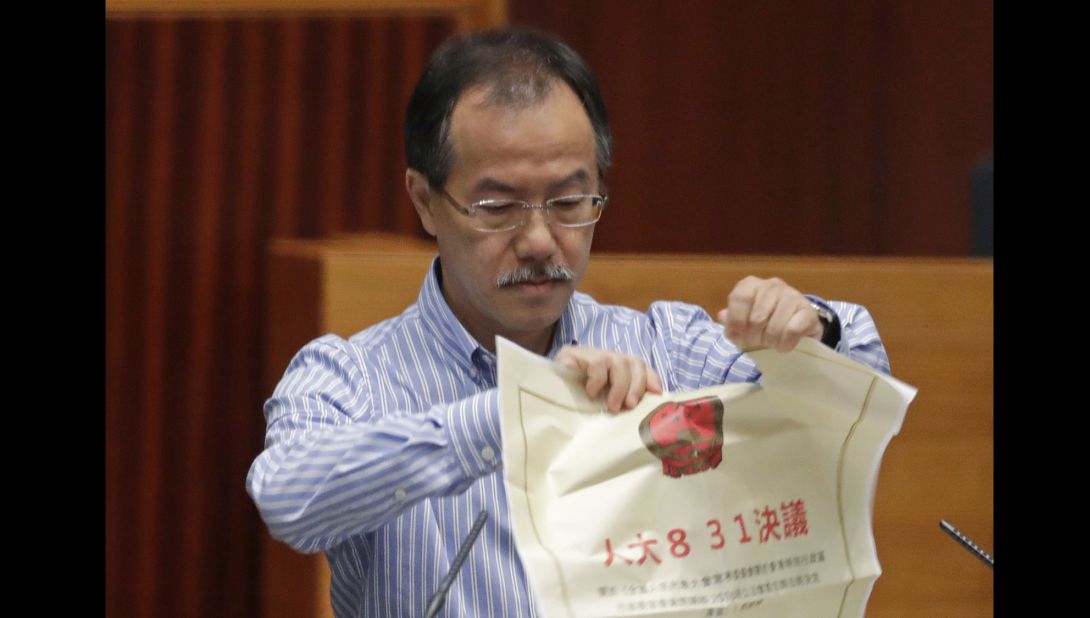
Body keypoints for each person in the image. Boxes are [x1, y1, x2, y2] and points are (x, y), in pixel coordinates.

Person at [246, 27, 890, 618]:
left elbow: (853, 401)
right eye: (497, 206)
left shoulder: (665, 347)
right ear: (425, 202)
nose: (539, 240)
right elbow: (287, 497)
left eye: (569, 201)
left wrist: (810, 334)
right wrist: (518, 410)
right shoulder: (353, 375)